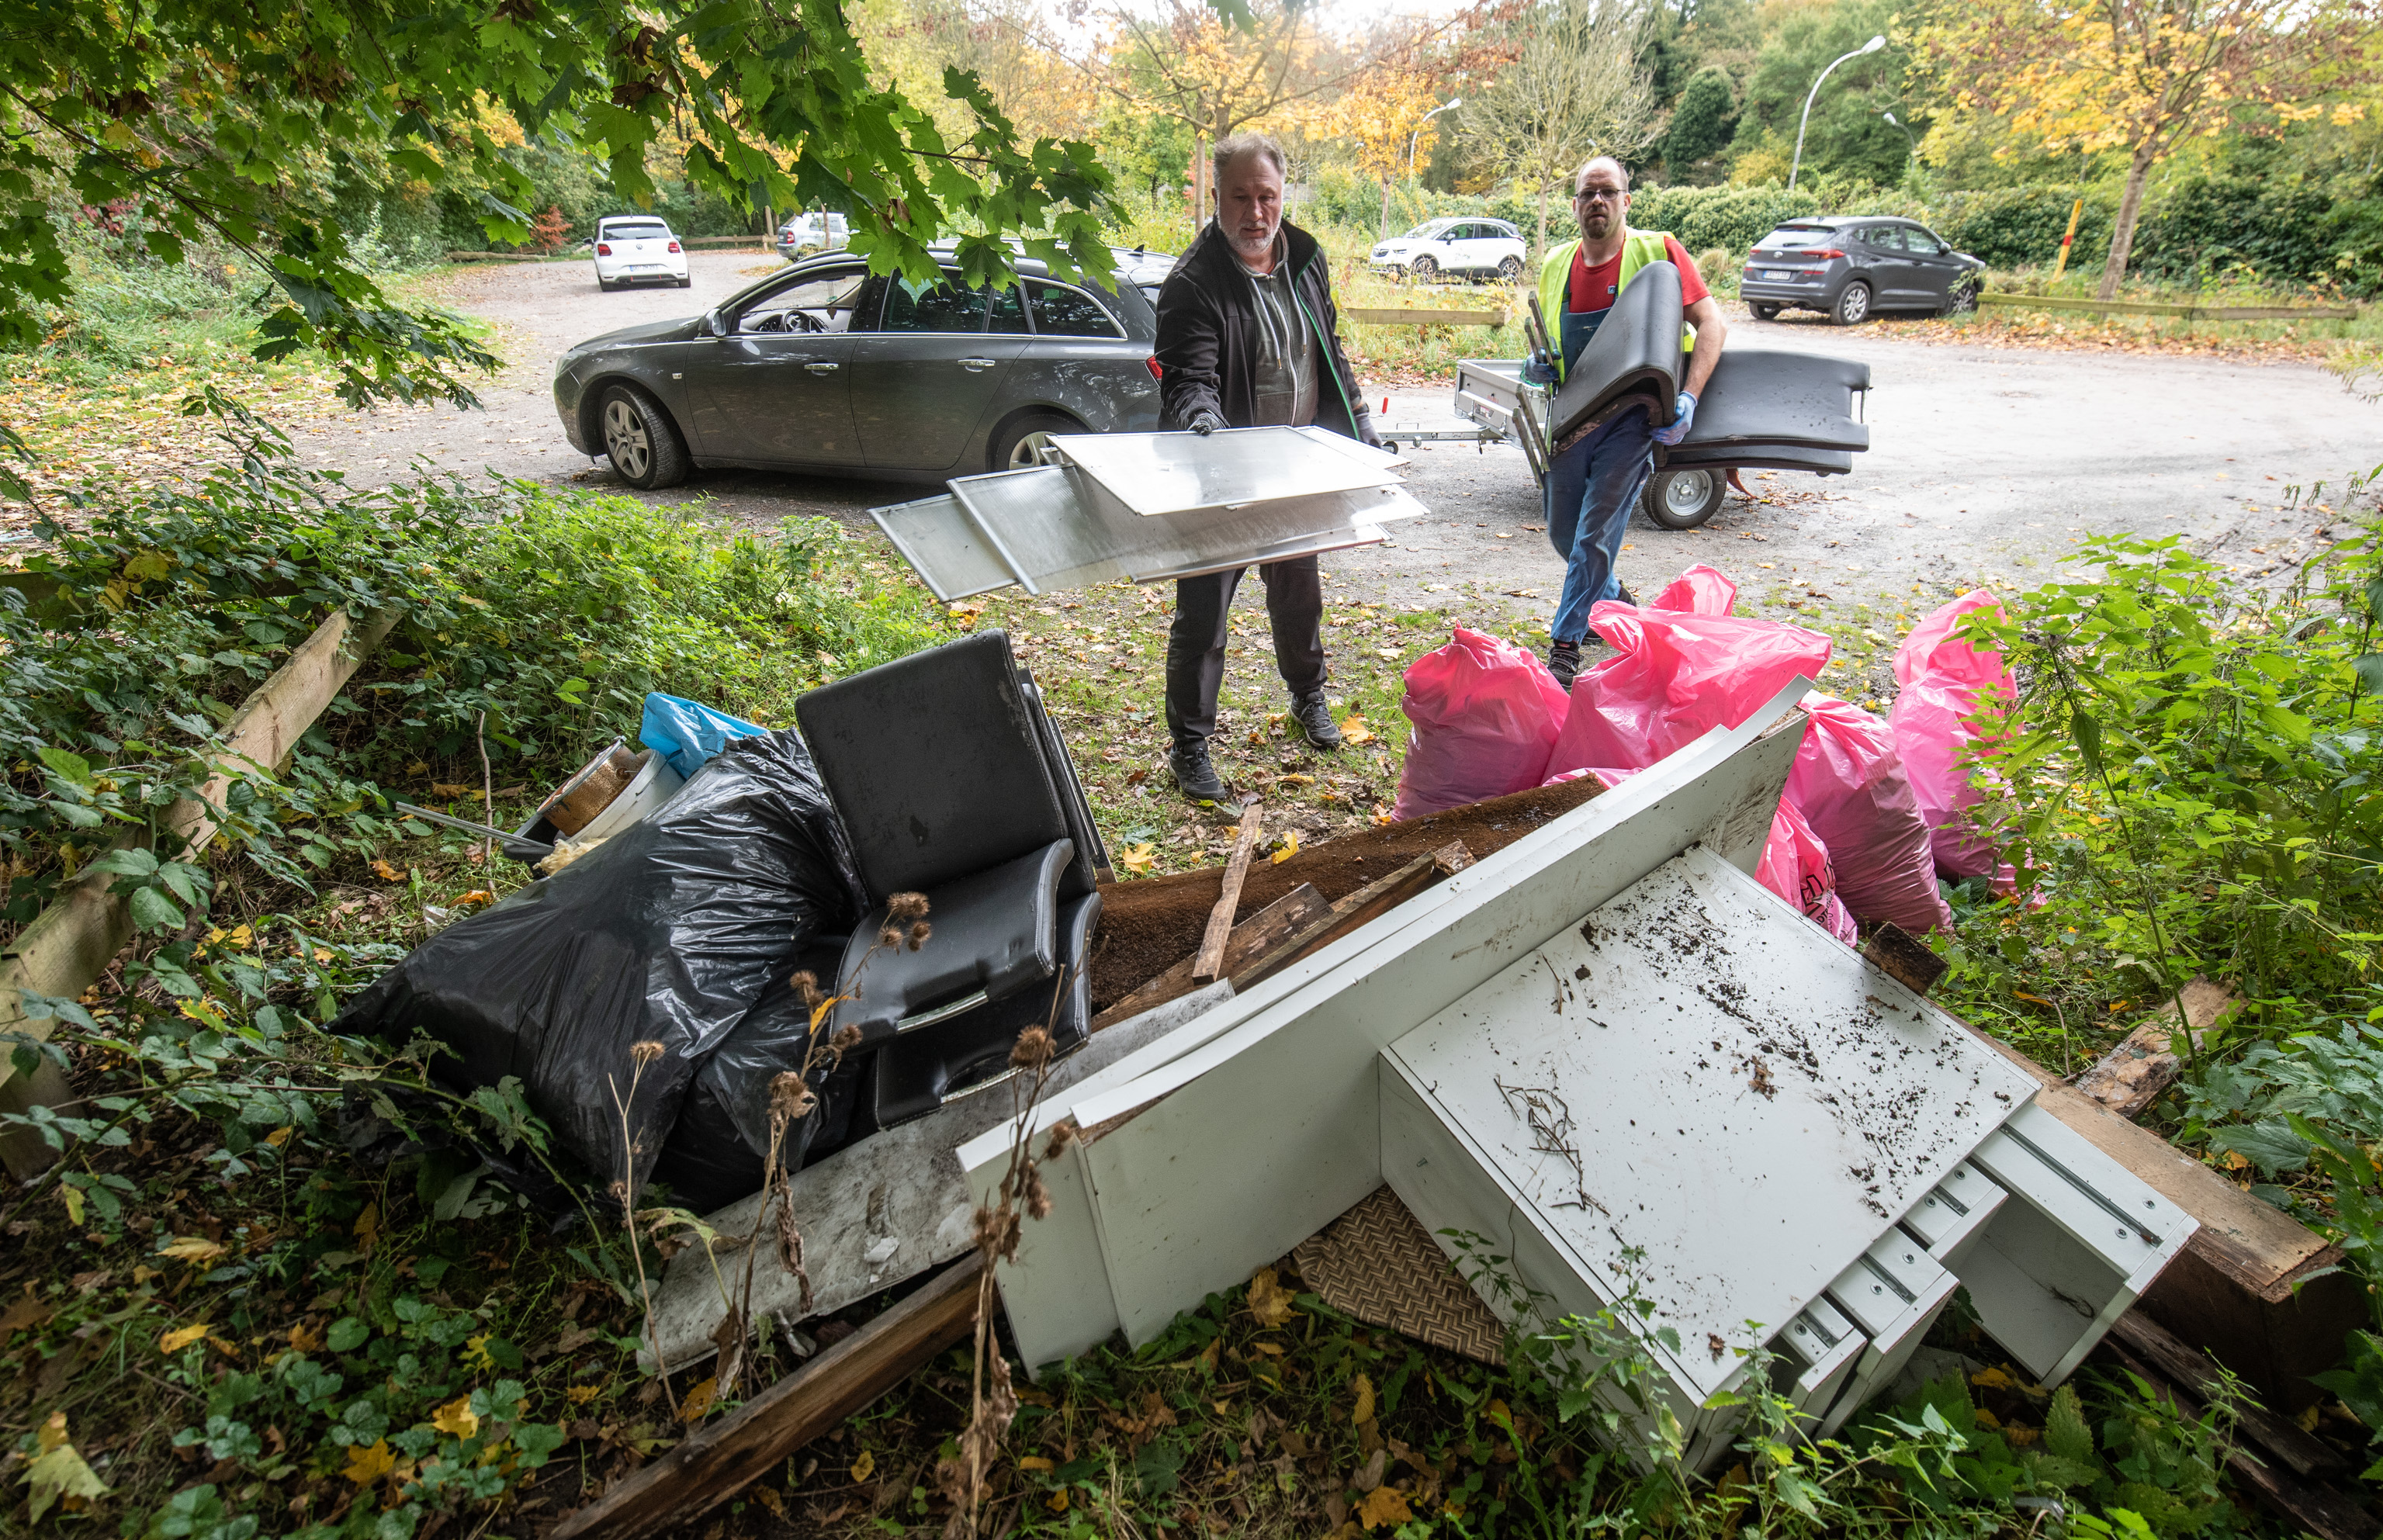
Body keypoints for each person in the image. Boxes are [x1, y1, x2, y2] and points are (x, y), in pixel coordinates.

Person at [1153, 132, 1383, 803]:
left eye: (1267, 197)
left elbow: (1329, 353)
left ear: (1283, 195)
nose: (1255, 213)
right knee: (1202, 616)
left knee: (1297, 594)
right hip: (1222, 475)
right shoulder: (1192, 282)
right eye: (1240, 198)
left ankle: (1307, 698)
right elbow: (1187, 378)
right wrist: (1205, 426)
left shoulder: (1305, 260)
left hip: (1296, 467)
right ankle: (1189, 745)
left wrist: (1362, 426)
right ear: (1216, 198)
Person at [1529, 156, 1728, 688]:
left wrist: (1687, 397)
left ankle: (1566, 644)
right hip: (1572, 419)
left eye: (1607, 192)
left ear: (1625, 200)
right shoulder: (1555, 264)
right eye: (1587, 193)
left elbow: (1711, 321)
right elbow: (1551, 343)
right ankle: (1616, 601)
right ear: (1574, 204)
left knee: (1594, 533)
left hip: (1632, 421)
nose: (1597, 201)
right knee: (1562, 532)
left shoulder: (1656, 251)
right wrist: (1540, 366)